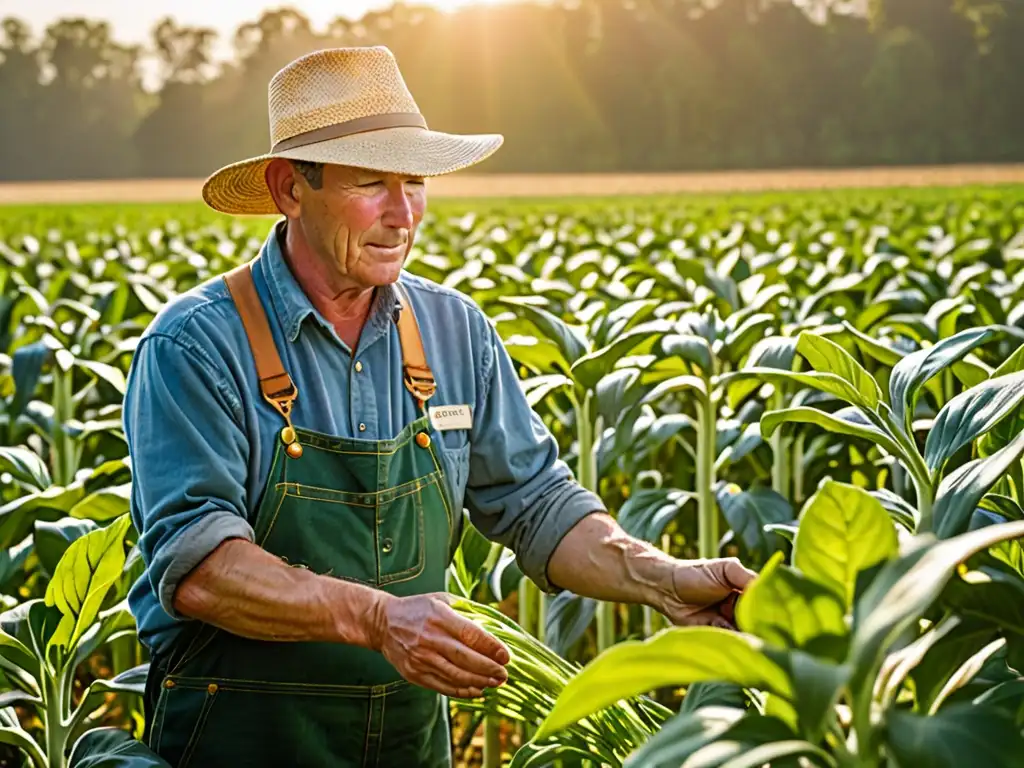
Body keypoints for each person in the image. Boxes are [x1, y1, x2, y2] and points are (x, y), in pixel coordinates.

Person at [123, 46, 756, 768]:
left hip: (408, 746)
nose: (403, 215)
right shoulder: (196, 345)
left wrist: (663, 579)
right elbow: (201, 567)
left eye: (416, 183)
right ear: (289, 188)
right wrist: (379, 620)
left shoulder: (455, 332)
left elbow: (537, 505)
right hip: (238, 742)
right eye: (371, 183)